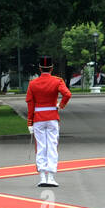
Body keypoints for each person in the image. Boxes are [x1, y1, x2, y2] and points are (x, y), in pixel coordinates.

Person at [25, 56, 71, 187]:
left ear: (40, 68)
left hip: (38, 118)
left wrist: (30, 122)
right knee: (52, 146)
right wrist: (60, 105)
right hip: (52, 117)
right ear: (51, 68)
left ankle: (42, 177)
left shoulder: (33, 83)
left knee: (41, 147)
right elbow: (67, 94)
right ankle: (51, 177)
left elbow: (30, 104)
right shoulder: (57, 81)